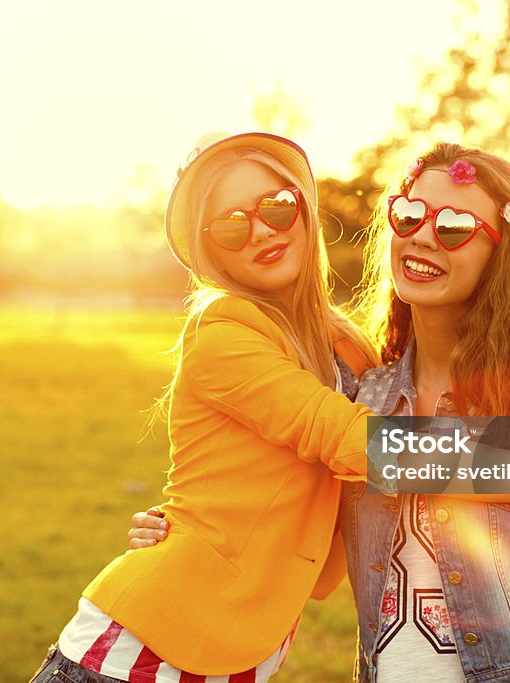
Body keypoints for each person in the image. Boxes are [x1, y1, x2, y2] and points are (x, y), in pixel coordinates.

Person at [130, 141, 510, 683]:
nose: (424, 235)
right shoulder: (367, 388)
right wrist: (188, 529)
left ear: (502, 253)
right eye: (409, 215)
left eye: (455, 226)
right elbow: (316, 549)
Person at [29, 131, 381, 683]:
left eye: (276, 206)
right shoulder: (223, 332)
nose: (260, 230)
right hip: (135, 657)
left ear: (303, 207)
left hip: (237, 656)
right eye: (230, 225)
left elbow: (327, 547)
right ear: (210, 248)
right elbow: (345, 437)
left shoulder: (350, 347)